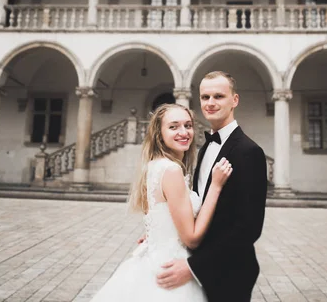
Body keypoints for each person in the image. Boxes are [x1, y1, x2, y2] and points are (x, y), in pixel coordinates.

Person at [90, 103, 232, 302]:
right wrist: (216, 186)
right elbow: (191, 238)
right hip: (170, 266)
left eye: (188, 125)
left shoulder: (155, 165)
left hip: (152, 259)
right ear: (159, 133)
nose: (184, 132)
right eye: (173, 127)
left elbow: (164, 216)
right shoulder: (171, 171)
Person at [156, 71, 268, 302]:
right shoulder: (204, 149)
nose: (211, 103)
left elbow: (249, 229)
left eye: (219, 96)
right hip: (199, 266)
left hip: (229, 273)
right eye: (205, 97)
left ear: (234, 100)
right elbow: (196, 205)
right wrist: (162, 230)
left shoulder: (250, 152)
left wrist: (194, 267)